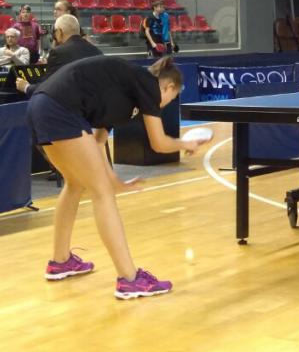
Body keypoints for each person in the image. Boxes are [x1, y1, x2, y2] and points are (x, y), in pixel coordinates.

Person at [16, 55, 192, 299]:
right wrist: (187, 143)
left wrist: (114, 181)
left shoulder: (124, 93)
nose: (163, 106)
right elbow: (159, 143)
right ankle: (129, 279)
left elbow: (98, 142)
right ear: (168, 86)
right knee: (102, 194)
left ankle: (60, 261)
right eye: (170, 99)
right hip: (59, 109)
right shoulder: (148, 84)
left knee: (75, 183)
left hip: (40, 107)